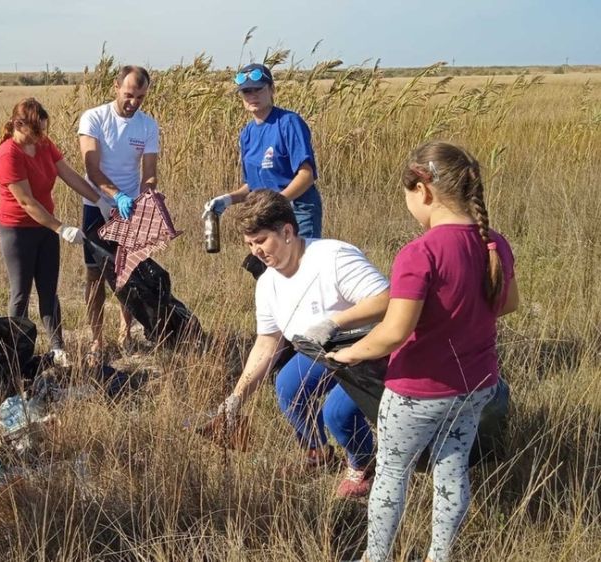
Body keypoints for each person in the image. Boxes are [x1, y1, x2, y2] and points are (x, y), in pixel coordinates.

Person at [331, 141, 519, 562]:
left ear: (425, 190)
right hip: (475, 386)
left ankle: (375, 556)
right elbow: (508, 304)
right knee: (451, 469)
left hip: (417, 391)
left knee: (392, 474)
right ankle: (440, 555)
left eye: (408, 195)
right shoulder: (494, 244)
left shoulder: (421, 252)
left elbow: (394, 333)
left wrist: (349, 354)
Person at [217, 190, 389, 498]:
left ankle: (363, 462)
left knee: (337, 413)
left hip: (369, 343)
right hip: (319, 350)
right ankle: (318, 454)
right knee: (287, 386)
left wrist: (336, 322)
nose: (256, 251)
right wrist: (237, 397)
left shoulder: (333, 257)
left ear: (286, 231)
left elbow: (387, 300)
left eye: (261, 241)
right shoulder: (268, 283)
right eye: (249, 244)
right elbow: (267, 344)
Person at [0, 98, 114, 366]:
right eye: (35, 132)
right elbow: (26, 202)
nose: (40, 137)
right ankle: (14, 351)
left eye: (43, 131)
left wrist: (98, 199)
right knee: (21, 291)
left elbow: (69, 175)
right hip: (17, 230)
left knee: (49, 289)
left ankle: (58, 348)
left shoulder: (44, 145)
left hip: (45, 229)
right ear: (18, 124)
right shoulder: (8, 154)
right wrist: (61, 228)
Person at [78, 65, 160, 358]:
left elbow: (149, 173)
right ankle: (97, 340)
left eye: (140, 97)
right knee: (95, 276)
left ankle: (126, 332)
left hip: (129, 210)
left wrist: (144, 198)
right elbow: (92, 168)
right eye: (129, 95)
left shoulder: (148, 126)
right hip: (97, 205)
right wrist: (116, 197)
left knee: (129, 274)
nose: (133, 102)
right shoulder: (94, 118)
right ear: (116, 87)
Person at [203, 63, 324, 239]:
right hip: (265, 215)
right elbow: (251, 186)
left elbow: (306, 175)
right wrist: (226, 200)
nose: (253, 96)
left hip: (296, 212)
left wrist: (276, 202)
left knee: (299, 265)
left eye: (258, 90)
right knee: (269, 265)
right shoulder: (247, 133)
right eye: (247, 92)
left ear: (272, 89)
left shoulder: (288, 122)